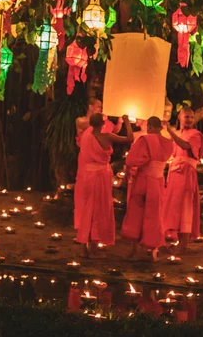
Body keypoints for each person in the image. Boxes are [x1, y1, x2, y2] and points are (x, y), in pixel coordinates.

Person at [75, 113, 134, 258]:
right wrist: (127, 122)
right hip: (100, 176)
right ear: (102, 123)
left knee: (87, 209)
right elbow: (130, 138)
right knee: (99, 209)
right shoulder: (106, 136)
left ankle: (85, 246)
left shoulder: (85, 137)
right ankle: (93, 247)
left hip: (87, 176)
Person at [121, 116, 173, 261]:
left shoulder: (145, 140)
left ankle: (134, 250)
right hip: (158, 181)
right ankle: (153, 250)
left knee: (137, 213)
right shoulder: (169, 143)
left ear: (150, 126)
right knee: (155, 215)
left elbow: (131, 159)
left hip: (144, 180)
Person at [74, 98, 122, 231]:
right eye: (98, 107)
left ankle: (95, 228)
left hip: (99, 162)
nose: (101, 109)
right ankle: (82, 226)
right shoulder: (81, 120)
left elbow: (115, 131)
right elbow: (88, 124)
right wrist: (101, 119)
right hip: (86, 159)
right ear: (90, 107)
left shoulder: (101, 124)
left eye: (102, 107)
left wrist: (120, 122)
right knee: (84, 193)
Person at [162, 106, 203, 254]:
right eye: (186, 116)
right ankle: (177, 240)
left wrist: (170, 133)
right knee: (174, 206)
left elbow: (186, 146)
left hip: (186, 173)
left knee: (186, 206)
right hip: (175, 173)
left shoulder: (196, 135)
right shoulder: (178, 133)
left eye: (192, 117)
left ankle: (184, 244)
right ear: (179, 117)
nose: (189, 120)